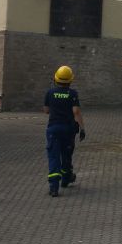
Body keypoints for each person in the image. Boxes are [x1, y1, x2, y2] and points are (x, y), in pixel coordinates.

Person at [43, 65, 86, 197]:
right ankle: (66, 178)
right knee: (66, 155)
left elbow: (46, 110)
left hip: (53, 129)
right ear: (70, 80)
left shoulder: (50, 93)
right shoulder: (72, 94)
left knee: (54, 156)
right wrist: (82, 128)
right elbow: (76, 112)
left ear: (56, 79)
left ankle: (54, 187)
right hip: (68, 129)